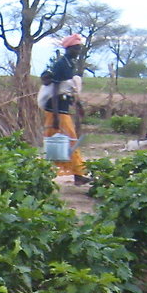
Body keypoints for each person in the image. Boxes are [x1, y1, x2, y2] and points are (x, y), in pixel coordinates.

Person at [42, 33, 89, 184]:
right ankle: (77, 174)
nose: (78, 51)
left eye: (79, 48)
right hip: (56, 110)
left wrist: (78, 105)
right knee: (67, 141)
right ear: (68, 48)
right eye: (76, 48)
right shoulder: (61, 64)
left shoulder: (70, 64)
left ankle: (76, 173)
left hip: (62, 109)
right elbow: (56, 90)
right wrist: (55, 115)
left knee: (60, 143)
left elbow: (69, 89)